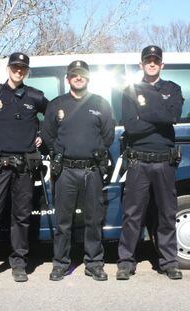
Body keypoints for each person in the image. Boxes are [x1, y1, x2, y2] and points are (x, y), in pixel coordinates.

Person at [0, 52, 48, 286]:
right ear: (8, 68)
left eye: (23, 68)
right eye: (15, 66)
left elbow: (54, 116)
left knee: (21, 218)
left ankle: (18, 263)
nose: (19, 70)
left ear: (26, 71)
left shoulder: (35, 96)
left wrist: (43, 135)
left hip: (24, 166)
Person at [42, 60, 115, 281]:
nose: (78, 77)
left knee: (93, 220)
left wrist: (94, 150)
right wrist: (61, 151)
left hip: (92, 170)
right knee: (63, 222)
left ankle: (94, 263)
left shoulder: (100, 103)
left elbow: (108, 135)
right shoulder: (56, 104)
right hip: (65, 171)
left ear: (88, 77)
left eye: (82, 74)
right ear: (68, 78)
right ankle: (61, 263)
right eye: (74, 74)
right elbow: (47, 135)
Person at [116, 45, 183, 280]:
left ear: (162, 64)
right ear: (141, 64)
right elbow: (131, 126)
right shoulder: (130, 90)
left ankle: (169, 262)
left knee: (166, 214)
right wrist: (160, 118)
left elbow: (173, 116)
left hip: (164, 162)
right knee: (132, 214)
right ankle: (126, 261)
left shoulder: (173, 89)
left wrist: (144, 114)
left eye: (156, 60)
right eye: (148, 60)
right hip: (138, 162)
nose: (152, 63)